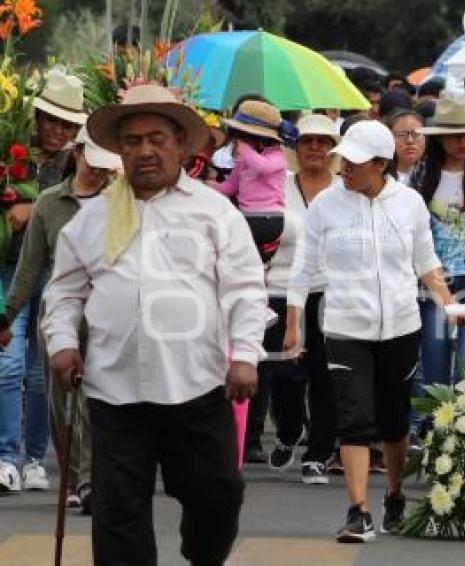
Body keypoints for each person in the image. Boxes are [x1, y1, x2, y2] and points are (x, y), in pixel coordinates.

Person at [42, 84, 267, 564]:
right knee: (118, 516)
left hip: (199, 388)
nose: (144, 150)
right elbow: (63, 291)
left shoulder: (214, 211)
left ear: (181, 145)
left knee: (218, 495)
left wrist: (245, 355)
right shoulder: (92, 218)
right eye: (132, 141)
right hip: (114, 392)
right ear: (118, 150)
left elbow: (245, 287)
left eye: (157, 139)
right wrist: (62, 342)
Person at [283, 120, 455, 542]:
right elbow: (303, 265)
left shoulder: (410, 202)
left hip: (400, 326)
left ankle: (394, 496)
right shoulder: (326, 204)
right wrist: (293, 324)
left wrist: (446, 301)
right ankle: (358, 511)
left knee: (395, 423)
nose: (346, 168)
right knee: (354, 418)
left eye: (357, 162)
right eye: (345, 160)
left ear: (382, 164)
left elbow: (425, 260)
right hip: (344, 326)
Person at [0, 126, 120, 511]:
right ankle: (68, 476)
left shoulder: (120, 201)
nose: (99, 173)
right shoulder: (50, 203)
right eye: (94, 163)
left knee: (92, 399)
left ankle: (88, 480)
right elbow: (29, 266)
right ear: (79, 153)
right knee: (60, 399)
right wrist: (8, 316)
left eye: (106, 168)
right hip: (60, 312)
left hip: (105, 312)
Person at [0, 69, 86, 495]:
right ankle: (7, 457)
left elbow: (73, 208)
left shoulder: (74, 162)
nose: (59, 130)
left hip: (54, 273)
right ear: (35, 117)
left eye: (69, 124)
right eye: (52, 120)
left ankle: (36, 458)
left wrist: (31, 211)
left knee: (39, 371)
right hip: (7, 270)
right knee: (10, 363)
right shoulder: (8, 151)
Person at [407, 96, 465, 437]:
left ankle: (463, 435)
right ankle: (432, 435)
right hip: (436, 279)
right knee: (432, 364)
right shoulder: (421, 174)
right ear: (439, 139)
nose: (462, 142)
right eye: (453, 135)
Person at [255, 114, 338, 487]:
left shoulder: (344, 190)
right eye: (308, 141)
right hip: (280, 289)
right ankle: (289, 430)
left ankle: (318, 454)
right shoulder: (278, 186)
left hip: (329, 291)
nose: (316, 148)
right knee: (284, 374)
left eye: (323, 141)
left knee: (325, 376)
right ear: (295, 147)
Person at [212, 100, 288, 264]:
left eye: (244, 137)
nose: (238, 142)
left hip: (268, 219)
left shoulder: (277, 156)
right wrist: (204, 184)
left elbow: (262, 167)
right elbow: (230, 187)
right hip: (246, 217)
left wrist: (242, 147)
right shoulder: (244, 161)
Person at [384, 110, 426, 185]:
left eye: (416, 134)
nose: (410, 141)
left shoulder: (434, 174)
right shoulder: (380, 175)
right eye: (401, 134)